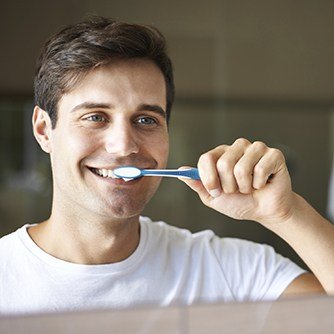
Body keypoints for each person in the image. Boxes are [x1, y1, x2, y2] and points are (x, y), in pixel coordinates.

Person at [0, 16, 333, 316]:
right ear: (44, 130)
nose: (124, 145)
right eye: (95, 117)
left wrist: (286, 213)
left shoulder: (226, 270)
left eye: (146, 119)